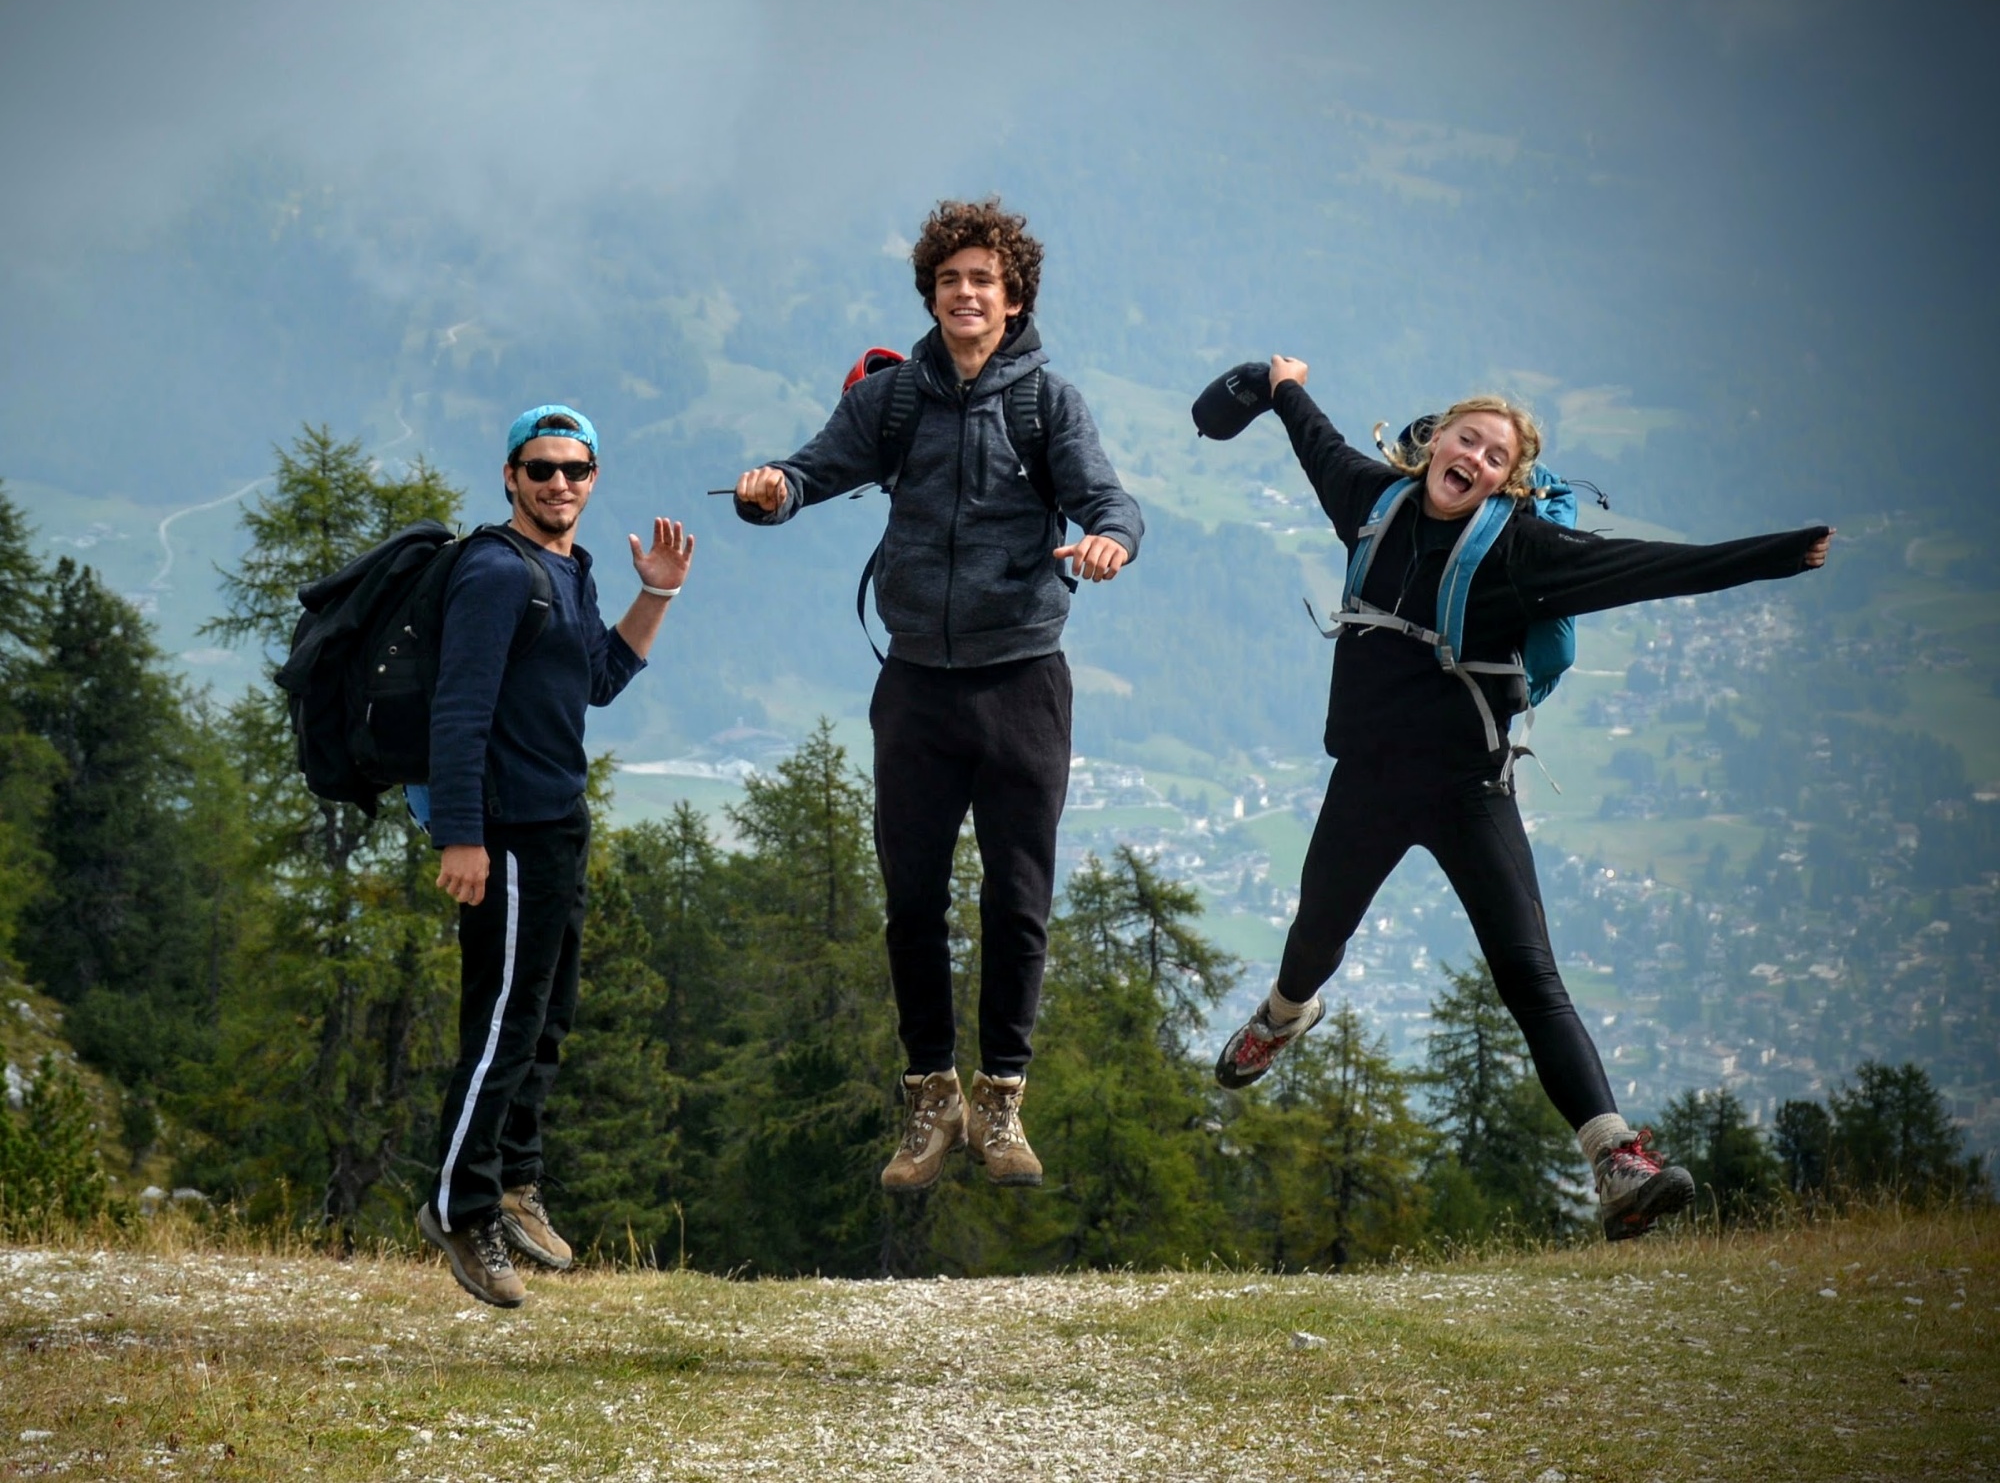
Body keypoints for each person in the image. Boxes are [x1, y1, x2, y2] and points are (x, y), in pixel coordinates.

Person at [1211, 357, 1832, 1241]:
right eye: (1469, 438)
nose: (1477, 457)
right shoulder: (1371, 501)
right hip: (1371, 779)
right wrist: (1280, 385)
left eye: (1498, 456)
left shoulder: (1522, 552)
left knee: (1529, 974)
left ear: (1510, 481)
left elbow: (1650, 567)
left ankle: (1616, 1160)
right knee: (1316, 937)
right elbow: (1318, 441)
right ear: (1434, 443)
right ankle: (1284, 1014)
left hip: (1470, 790)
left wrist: (1778, 556)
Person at [733, 198, 1145, 1194]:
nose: (965, 294)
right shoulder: (895, 400)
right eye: (950, 279)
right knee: (910, 899)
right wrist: (771, 494)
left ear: (1012, 301)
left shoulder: (1050, 403)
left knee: (1017, 900)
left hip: (1021, 682)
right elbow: (811, 469)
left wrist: (1107, 545)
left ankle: (1000, 1100)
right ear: (931, 292)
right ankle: (929, 1099)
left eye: (983, 282)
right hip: (914, 680)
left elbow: (1110, 502)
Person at [417, 405, 695, 1305]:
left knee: (544, 1021)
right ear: (509, 477)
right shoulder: (497, 572)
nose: (559, 484)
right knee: (502, 1024)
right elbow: (457, 713)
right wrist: (462, 836)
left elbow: (600, 682)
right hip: (507, 834)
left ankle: (515, 1179)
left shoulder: (564, 569)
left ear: (594, 478)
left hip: (558, 827)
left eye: (576, 470)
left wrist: (654, 593)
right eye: (541, 469)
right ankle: (460, 1207)